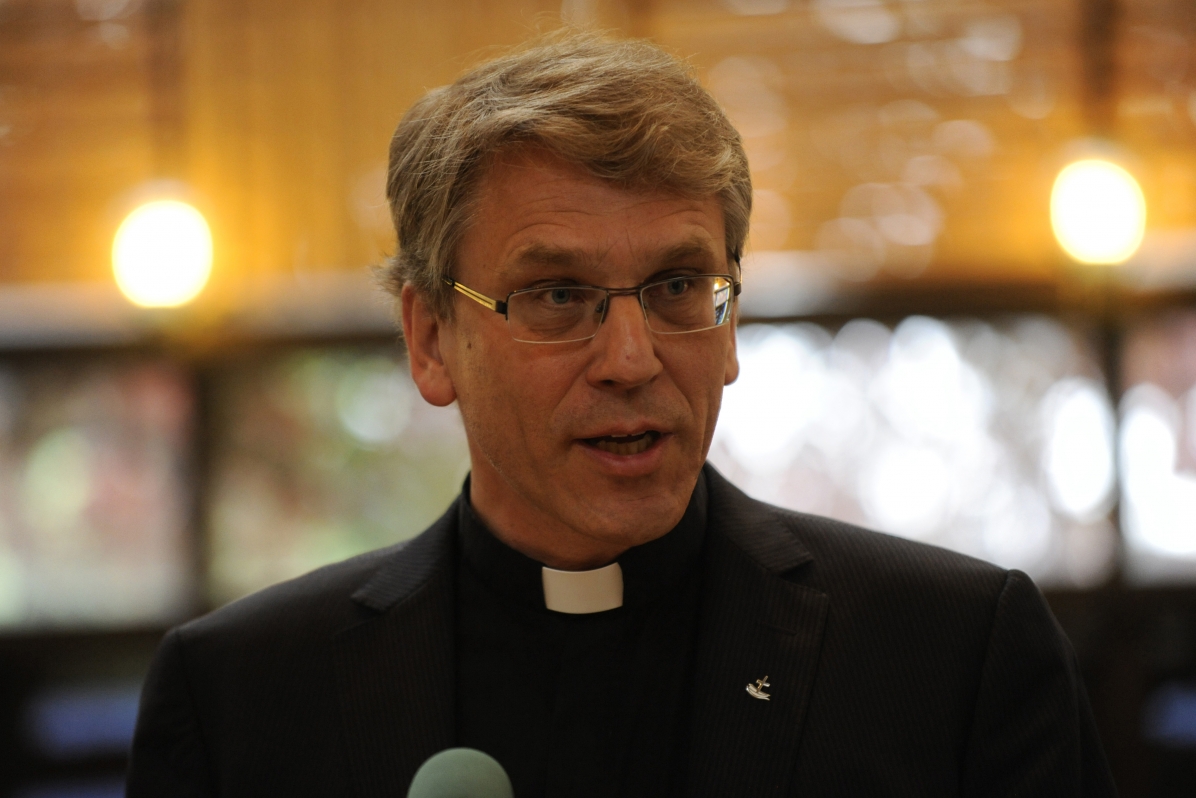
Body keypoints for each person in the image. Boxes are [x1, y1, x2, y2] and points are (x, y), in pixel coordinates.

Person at [127, 32, 1117, 798]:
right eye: (558, 295)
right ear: (430, 340)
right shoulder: (242, 696)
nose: (633, 360)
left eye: (680, 285)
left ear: (731, 323)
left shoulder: (953, 656)